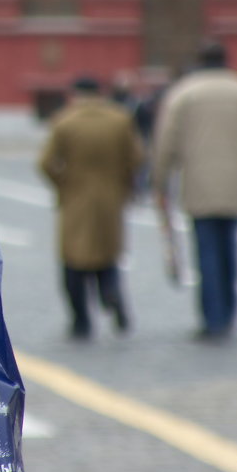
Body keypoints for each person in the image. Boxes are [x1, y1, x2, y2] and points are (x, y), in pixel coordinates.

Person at [152, 41, 237, 341]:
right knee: (231, 249)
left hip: (199, 186)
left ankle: (213, 317)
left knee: (207, 252)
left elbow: (165, 144)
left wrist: (160, 185)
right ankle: (230, 311)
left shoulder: (183, 94)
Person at [38, 76, 143, 339]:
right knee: (107, 257)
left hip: (76, 199)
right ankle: (112, 294)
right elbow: (137, 158)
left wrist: (63, 185)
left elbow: (46, 163)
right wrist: (124, 184)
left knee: (73, 262)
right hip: (111, 199)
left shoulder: (65, 121)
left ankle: (81, 321)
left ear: (75, 94)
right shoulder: (120, 119)